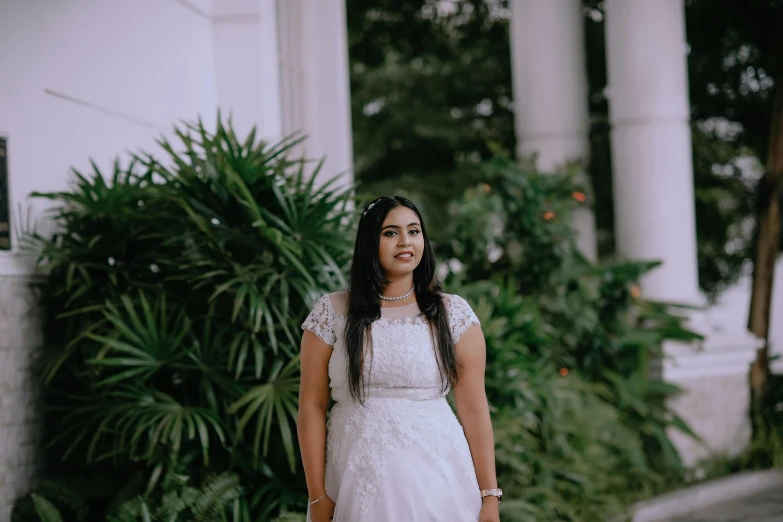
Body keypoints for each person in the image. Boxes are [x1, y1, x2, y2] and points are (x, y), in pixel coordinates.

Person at [297, 195, 502, 522]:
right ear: (369, 242)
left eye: (414, 231)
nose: (405, 242)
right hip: (353, 476)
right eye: (390, 232)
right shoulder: (332, 312)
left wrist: (489, 496)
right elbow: (311, 405)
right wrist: (317, 495)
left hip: (438, 475)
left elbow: (474, 408)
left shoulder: (453, 314)